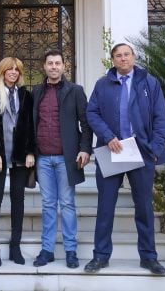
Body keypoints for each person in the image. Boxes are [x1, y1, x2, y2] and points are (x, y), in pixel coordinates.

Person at [84, 43, 165, 275]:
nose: (123, 59)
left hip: (140, 151)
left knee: (143, 207)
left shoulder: (149, 83)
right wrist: (107, 135)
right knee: (105, 207)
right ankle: (100, 256)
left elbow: (161, 117)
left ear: (133, 57)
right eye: (118, 56)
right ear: (112, 59)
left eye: (126, 55)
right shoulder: (102, 85)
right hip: (112, 150)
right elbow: (92, 113)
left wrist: (155, 148)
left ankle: (149, 257)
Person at [31, 48, 93, 269]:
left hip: (66, 158)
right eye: (50, 63)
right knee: (48, 205)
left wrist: (85, 149)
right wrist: (30, 152)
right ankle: (47, 250)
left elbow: (86, 124)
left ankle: (70, 251)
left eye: (58, 63)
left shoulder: (75, 91)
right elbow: (31, 125)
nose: (54, 67)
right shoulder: (36, 92)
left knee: (67, 204)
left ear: (64, 66)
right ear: (44, 66)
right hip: (43, 158)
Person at [0, 57, 36, 267]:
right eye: (9, 69)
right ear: (2, 71)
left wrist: (31, 152)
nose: (13, 72)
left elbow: (30, 125)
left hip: (21, 155)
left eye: (17, 70)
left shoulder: (25, 95)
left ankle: (15, 247)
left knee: (18, 200)